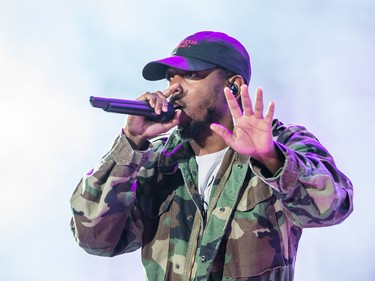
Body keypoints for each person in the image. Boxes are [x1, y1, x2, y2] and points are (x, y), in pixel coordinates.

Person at [70, 31, 354, 281]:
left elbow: (331, 208)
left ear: (233, 84)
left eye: (191, 75)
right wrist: (130, 143)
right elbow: (95, 239)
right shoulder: (156, 162)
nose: (174, 88)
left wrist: (270, 158)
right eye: (171, 78)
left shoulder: (281, 144)